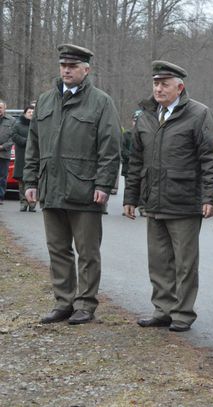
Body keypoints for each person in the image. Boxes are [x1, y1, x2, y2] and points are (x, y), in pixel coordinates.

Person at [123, 60, 213, 332]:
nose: (158, 88)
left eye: (164, 84)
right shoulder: (145, 115)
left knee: (184, 263)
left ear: (180, 87)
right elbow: (135, 160)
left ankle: (182, 313)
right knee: (158, 261)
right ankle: (162, 309)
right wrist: (130, 197)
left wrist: (211, 197)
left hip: (185, 201)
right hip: (153, 200)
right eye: (156, 83)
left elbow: (212, 158)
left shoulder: (198, 113)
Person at [24, 44, 121, 325]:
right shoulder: (44, 101)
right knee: (58, 249)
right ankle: (63, 302)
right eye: (63, 65)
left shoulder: (101, 102)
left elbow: (110, 148)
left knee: (87, 252)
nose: (66, 70)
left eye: (73, 66)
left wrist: (104, 184)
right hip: (51, 187)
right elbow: (34, 145)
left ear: (86, 70)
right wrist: (30, 180)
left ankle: (85, 304)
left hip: (86, 190)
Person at [11, 105, 36, 212]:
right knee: (21, 181)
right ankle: (23, 202)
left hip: (34, 156)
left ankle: (32, 204)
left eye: (33, 112)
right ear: (25, 113)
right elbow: (14, 135)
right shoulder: (18, 125)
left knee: (34, 181)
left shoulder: (38, 125)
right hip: (22, 156)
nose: (31, 113)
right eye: (29, 112)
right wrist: (26, 141)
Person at [0, 99, 15, 204]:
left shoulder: (12, 120)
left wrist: (3, 146)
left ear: (5, 108)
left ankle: (0, 196)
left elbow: (13, 137)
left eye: (0, 107)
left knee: (2, 176)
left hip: (4, 153)